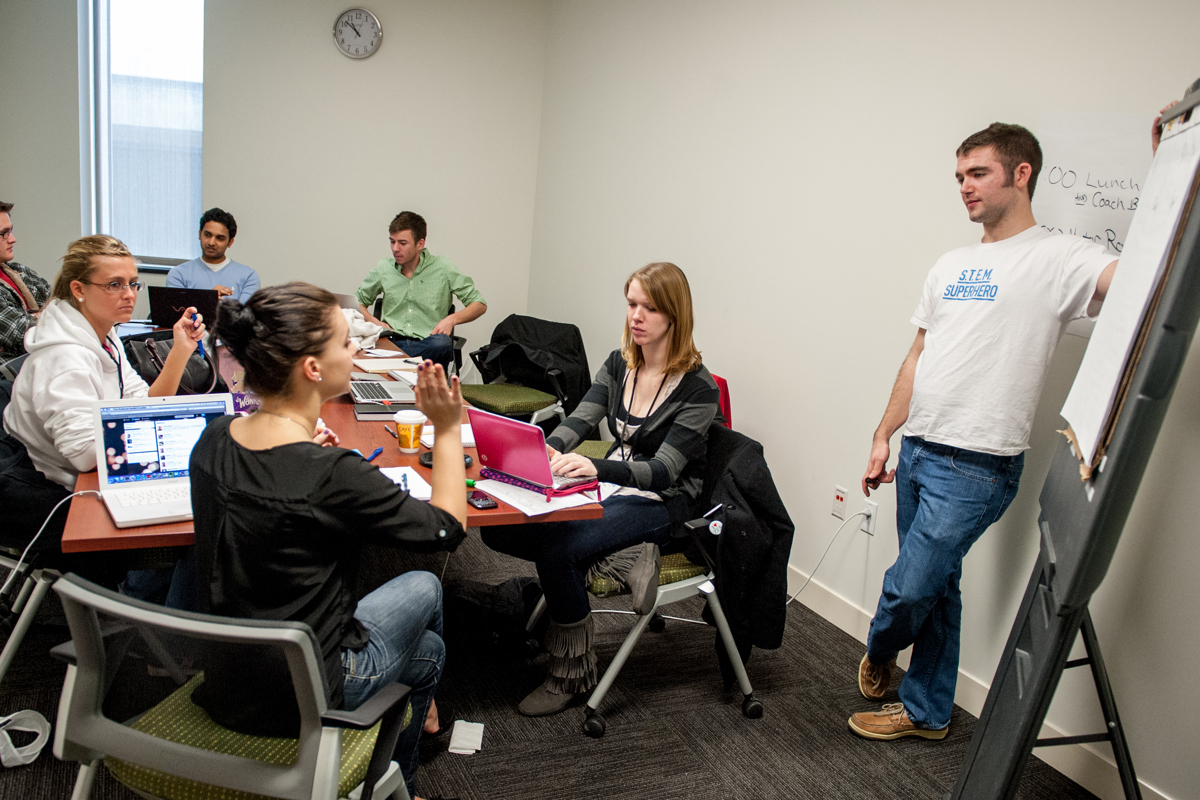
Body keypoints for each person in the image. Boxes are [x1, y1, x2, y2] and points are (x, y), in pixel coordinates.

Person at [851, 122, 1123, 742]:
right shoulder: (951, 263)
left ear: (1021, 173)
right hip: (918, 449)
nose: (965, 188)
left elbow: (1134, 283)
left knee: (907, 588)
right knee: (939, 588)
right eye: (959, 177)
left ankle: (880, 649)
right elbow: (918, 355)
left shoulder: (1060, 256)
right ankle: (927, 714)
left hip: (978, 466)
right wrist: (883, 434)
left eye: (978, 174)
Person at [190, 282, 468, 800]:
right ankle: (400, 777)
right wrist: (447, 429)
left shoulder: (213, 438)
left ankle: (407, 757)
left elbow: (266, 497)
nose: (355, 352)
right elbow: (448, 528)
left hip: (226, 678)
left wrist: (307, 456)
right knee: (427, 587)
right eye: (346, 343)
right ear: (312, 369)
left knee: (427, 652)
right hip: (304, 695)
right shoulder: (332, 473)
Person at [482, 262, 720, 716]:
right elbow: (580, 419)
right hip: (613, 485)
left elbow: (665, 471)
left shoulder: (698, 388)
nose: (637, 316)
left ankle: (571, 672)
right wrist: (541, 451)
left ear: (675, 315)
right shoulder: (620, 363)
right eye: (632, 304)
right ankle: (627, 558)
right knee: (500, 528)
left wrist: (592, 468)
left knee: (559, 548)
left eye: (650, 307)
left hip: (665, 504)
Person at [3, 235, 206, 545]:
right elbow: (85, 454)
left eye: (132, 284)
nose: (129, 295)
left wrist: (181, 350)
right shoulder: (64, 358)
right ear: (78, 289)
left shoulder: (103, 334)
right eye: (114, 285)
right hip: (57, 488)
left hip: (94, 470)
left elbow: (144, 403)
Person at [356, 211, 486, 368]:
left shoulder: (443, 267)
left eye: (402, 243)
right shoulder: (384, 268)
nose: (395, 248)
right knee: (362, 343)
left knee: (442, 344)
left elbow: (479, 304)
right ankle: (404, 362)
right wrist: (374, 322)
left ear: (420, 244)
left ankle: (397, 363)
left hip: (429, 345)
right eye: (392, 242)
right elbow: (356, 303)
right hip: (392, 342)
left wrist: (451, 320)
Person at [166, 207, 260, 302]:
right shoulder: (179, 274)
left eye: (219, 238)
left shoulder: (248, 276)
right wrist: (208, 298)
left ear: (230, 242)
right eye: (207, 235)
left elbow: (245, 315)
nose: (211, 242)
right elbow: (177, 312)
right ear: (199, 234)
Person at [0, 201, 51, 361]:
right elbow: (23, 332)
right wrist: (53, 314)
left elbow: (63, 302)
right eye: (4, 233)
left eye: (11, 231)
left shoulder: (20, 271)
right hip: (11, 378)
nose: (13, 239)